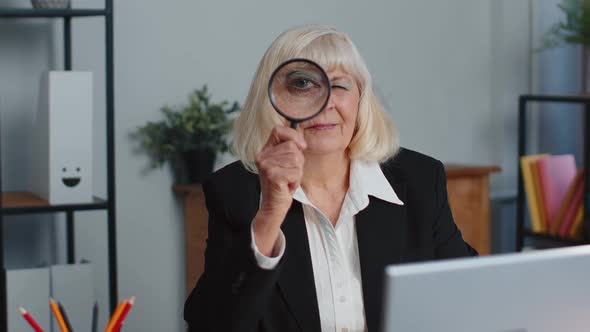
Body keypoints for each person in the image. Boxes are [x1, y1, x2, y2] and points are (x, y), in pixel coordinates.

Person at [184, 24, 477, 332]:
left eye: (339, 85)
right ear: (271, 101)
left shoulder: (420, 179)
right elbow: (211, 325)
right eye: (302, 85)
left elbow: (467, 293)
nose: (325, 104)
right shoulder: (234, 192)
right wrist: (269, 215)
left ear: (361, 97)